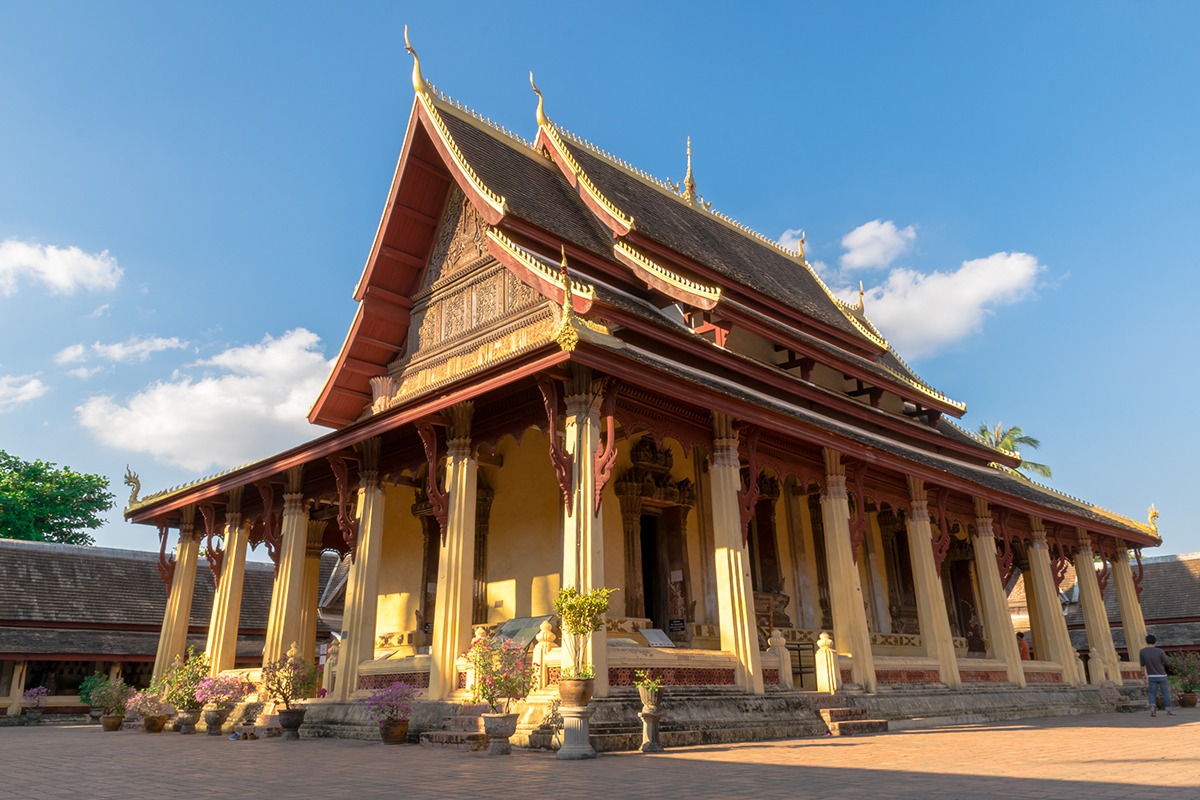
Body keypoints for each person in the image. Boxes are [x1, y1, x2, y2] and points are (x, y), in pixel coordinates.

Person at [1139, 634, 1176, 717]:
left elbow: (1142, 665)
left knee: (1152, 693)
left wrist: (1143, 675)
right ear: (1155, 642)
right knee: (1165, 693)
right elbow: (1167, 662)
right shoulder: (1160, 651)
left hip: (1151, 676)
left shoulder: (1142, 651)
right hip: (1162, 675)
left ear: (1146, 642)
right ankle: (1168, 710)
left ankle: (1152, 706)